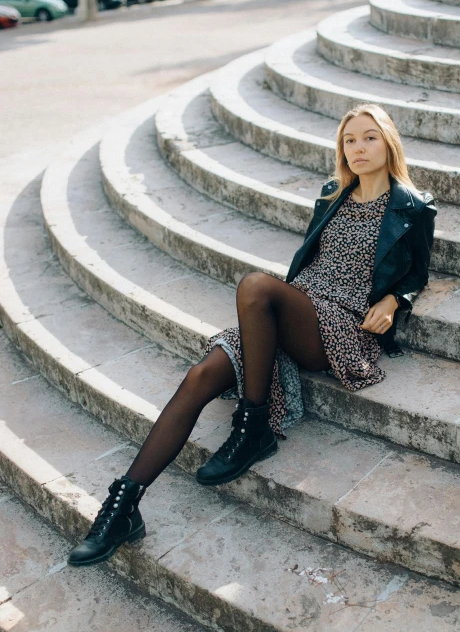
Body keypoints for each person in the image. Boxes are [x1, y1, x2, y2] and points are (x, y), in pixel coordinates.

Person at [67, 102, 437, 567]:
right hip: (291, 307)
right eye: (349, 140)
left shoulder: (413, 208)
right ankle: (123, 506)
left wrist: (394, 300)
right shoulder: (332, 192)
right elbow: (310, 264)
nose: (358, 148)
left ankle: (254, 421)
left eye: (368, 137)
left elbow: (418, 273)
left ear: (388, 142)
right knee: (200, 375)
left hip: (338, 323)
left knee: (255, 285)